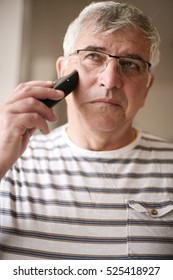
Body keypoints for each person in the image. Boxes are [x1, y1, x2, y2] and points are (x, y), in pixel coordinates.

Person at [0, 1, 173, 260]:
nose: (110, 80)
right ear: (62, 72)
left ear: (147, 88)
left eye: (130, 64)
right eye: (93, 56)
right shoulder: (10, 164)